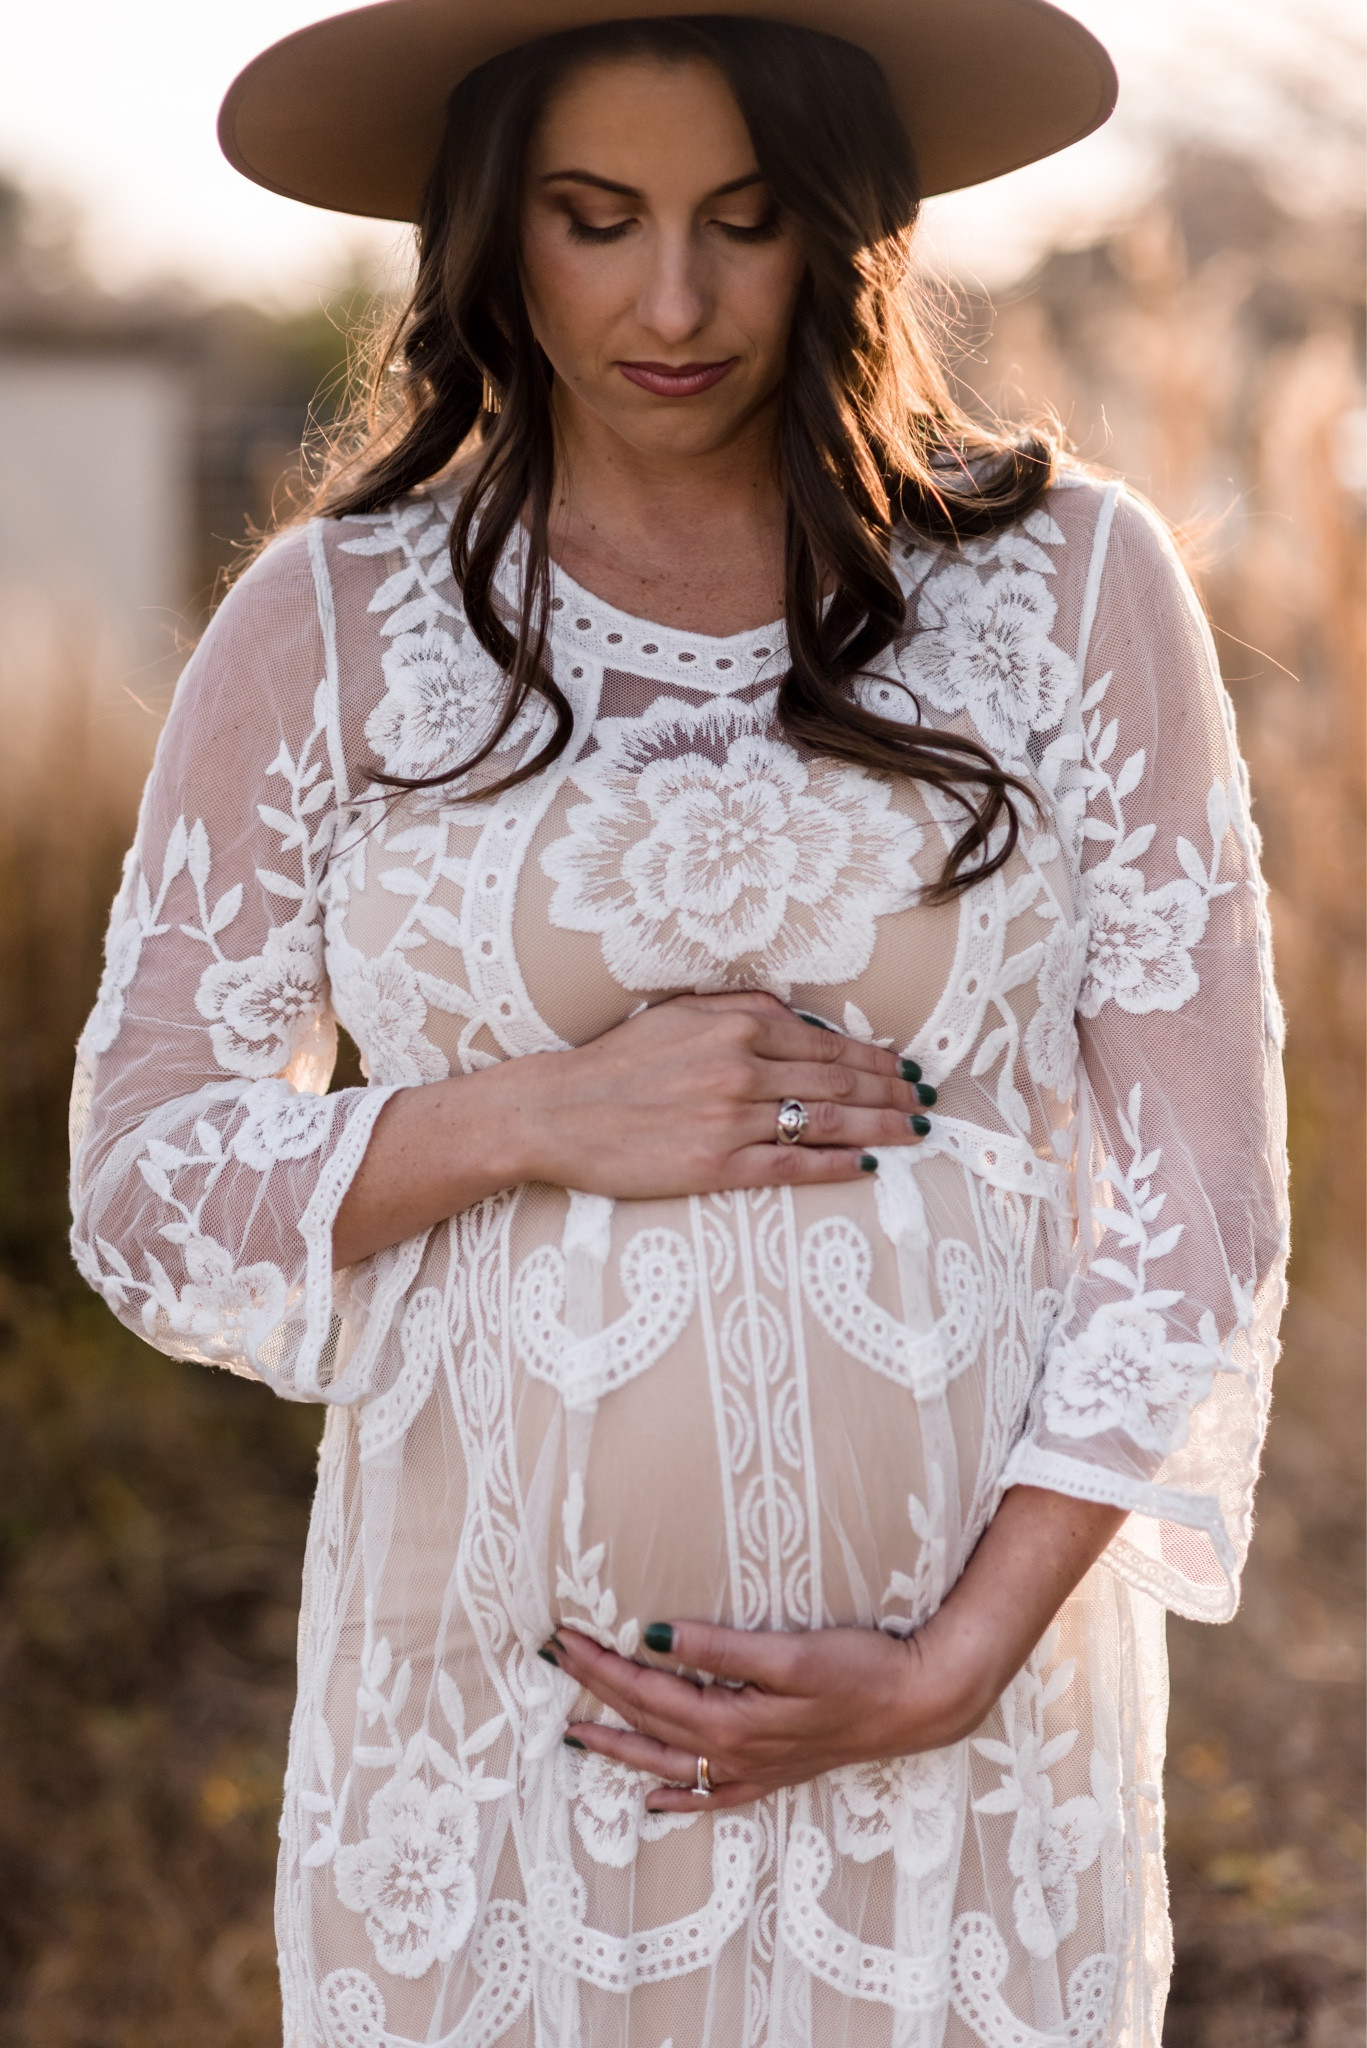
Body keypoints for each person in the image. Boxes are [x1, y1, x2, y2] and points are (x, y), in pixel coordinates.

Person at [70, 5, 1289, 2043]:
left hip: (958, 1753)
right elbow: (145, 1180)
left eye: (743, 218)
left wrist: (959, 1658)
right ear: (488, 232)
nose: (673, 296)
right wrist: (538, 1110)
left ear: (842, 226)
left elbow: (1203, 1205)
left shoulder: (1071, 585)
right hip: (487, 1731)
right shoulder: (336, 625)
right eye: (596, 216)